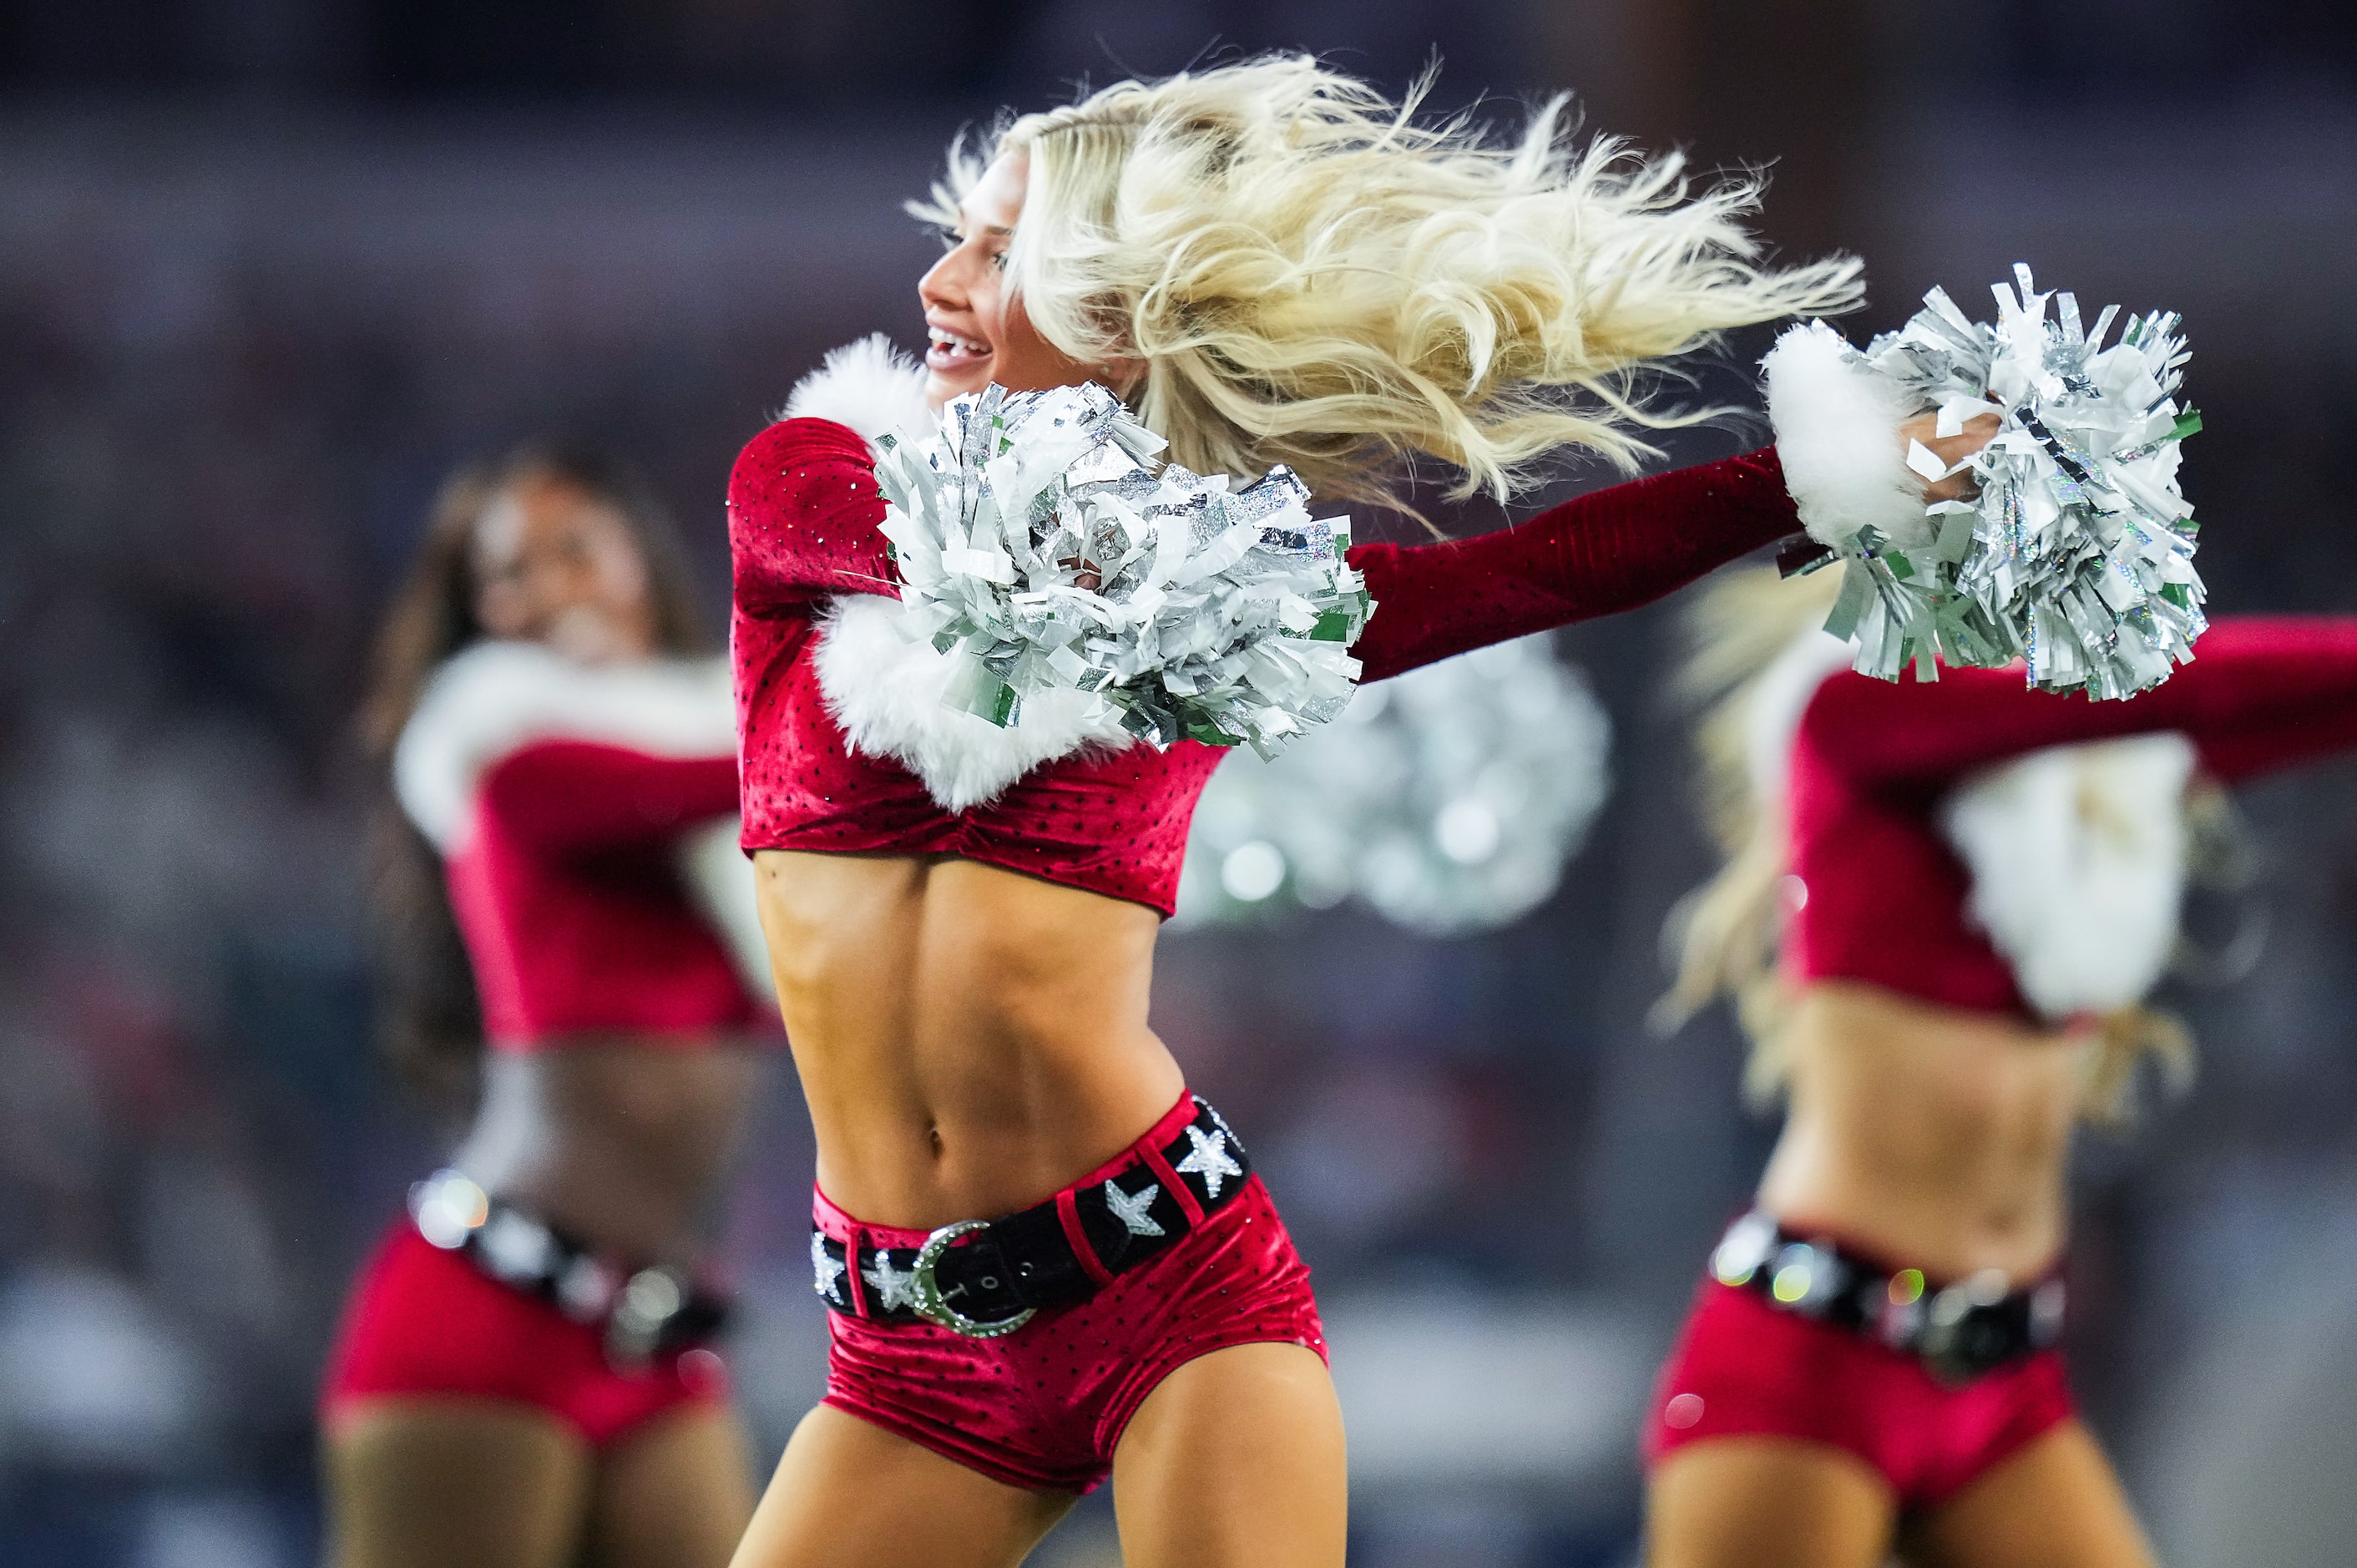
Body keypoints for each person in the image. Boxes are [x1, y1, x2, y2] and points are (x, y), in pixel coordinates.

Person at [721, 55, 1950, 1568]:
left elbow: (1538, 569)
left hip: (1168, 1304)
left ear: (1115, 303)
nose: (939, 277)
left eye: (995, 250)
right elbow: (883, 548)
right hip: (902, 1361)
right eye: (956, 237)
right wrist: (1121, 584)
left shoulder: (1219, 602)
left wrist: (1834, 476)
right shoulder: (814, 472)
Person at [1645, 564, 2357, 1568]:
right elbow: (2187, 687)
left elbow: (2235, 721)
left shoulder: (2075, 805)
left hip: (2000, 1377)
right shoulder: (1858, 703)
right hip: (1817, 1369)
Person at [321, 444, 775, 1568]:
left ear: (638, 560)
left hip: (655, 1328)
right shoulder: (503, 750)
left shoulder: (715, 793)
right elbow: (758, 769)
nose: (543, 592)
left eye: (574, 550)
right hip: (486, 1313)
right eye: (506, 577)